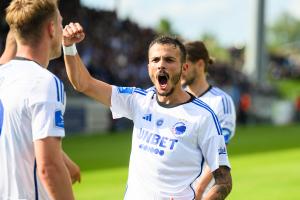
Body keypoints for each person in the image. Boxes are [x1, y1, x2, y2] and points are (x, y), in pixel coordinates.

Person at [62, 22, 232, 199]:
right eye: (155, 60)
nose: (161, 65)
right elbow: (83, 83)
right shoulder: (139, 100)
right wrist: (68, 46)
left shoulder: (203, 116)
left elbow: (224, 181)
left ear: (184, 68)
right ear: (149, 68)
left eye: (169, 60)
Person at [0, 0, 77, 199]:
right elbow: (48, 167)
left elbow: (18, 133)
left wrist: (64, 161)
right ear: (51, 28)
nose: (62, 29)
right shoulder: (44, 83)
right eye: (60, 23)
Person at [181, 41, 236, 200]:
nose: (180, 71)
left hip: (204, 193)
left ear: (199, 64)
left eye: (185, 66)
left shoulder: (220, 101)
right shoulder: (175, 99)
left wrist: (200, 189)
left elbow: (218, 153)